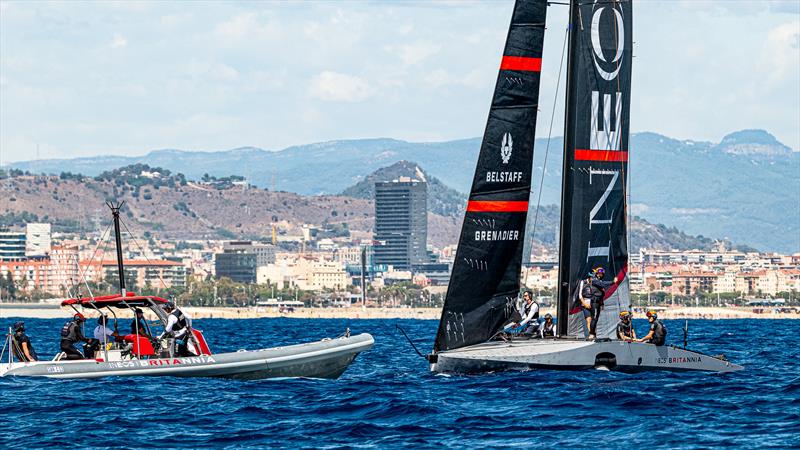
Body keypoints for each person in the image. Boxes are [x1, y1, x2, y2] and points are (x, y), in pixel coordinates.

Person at [585, 267, 619, 339]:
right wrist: (613, 282)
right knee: (594, 318)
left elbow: (601, 292)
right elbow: (602, 284)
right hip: (594, 302)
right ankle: (591, 334)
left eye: (602, 274)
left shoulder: (599, 280)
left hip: (598, 302)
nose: (600, 275)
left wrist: (602, 303)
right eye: (599, 273)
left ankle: (593, 333)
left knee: (596, 318)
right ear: (596, 273)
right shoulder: (594, 280)